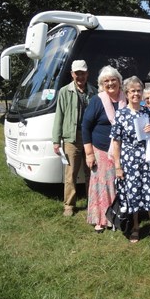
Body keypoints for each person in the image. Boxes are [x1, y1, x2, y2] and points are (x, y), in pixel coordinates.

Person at [111, 76, 150, 243]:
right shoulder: (120, 114)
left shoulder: (148, 112)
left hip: (146, 158)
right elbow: (116, 142)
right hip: (129, 160)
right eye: (132, 91)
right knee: (133, 194)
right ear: (126, 93)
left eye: (139, 90)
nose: (136, 94)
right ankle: (135, 227)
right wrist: (118, 165)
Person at [82, 66, 126, 232]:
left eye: (113, 79)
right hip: (101, 150)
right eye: (106, 81)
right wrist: (89, 153)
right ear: (101, 84)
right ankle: (100, 218)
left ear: (119, 81)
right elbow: (85, 126)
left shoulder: (125, 99)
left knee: (118, 184)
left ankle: (118, 215)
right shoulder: (97, 100)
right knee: (102, 185)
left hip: (122, 149)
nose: (110, 83)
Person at [52, 60, 97, 217]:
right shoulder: (64, 92)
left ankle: (93, 202)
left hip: (90, 138)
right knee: (71, 173)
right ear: (72, 74)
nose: (80, 76)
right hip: (72, 138)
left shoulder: (94, 92)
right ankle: (69, 205)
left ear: (87, 74)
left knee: (91, 171)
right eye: (77, 73)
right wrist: (56, 140)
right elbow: (59, 116)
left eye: (83, 73)